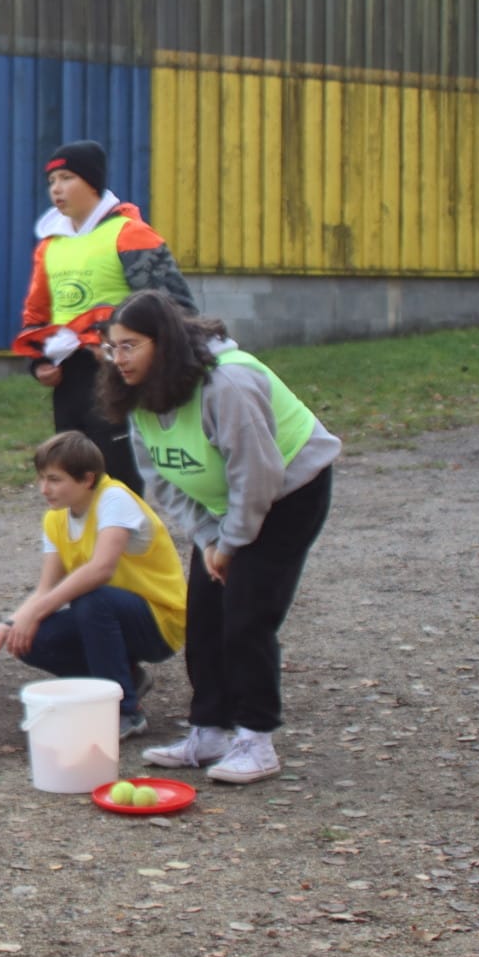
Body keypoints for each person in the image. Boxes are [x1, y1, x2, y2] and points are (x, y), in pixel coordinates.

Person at [100, 290, 339, 785]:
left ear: (163, 342)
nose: (118, 359)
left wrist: (231, 544)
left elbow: (257, 476)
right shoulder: (139, 392)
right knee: (205, 615)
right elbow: (161, 477)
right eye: (112, 347)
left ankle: (256, 739)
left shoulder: (228, 384)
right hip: (224, 504)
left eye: (130, 346)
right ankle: (209, 730)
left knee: (247, 614)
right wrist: (210, 538)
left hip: (288, 490)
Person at [0, 431, 186, 737]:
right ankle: (127, 681)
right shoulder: (55, 519)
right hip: (111, 616)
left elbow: (101, 569)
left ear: (87, 479)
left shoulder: (114, 498)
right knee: (28, 638)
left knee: (91, 599)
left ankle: (125, 712)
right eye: (41, 478)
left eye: (54, 480)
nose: (44, 489)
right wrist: (7, 626)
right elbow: (45, 589)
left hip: (160, 622)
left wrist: (34, 613)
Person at [13, 140, 195, 496]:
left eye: (67, 178)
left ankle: (125, 533)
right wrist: (38, 363)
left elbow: (178, 310)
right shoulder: (49, 245)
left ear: (93, 183)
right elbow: (36, 316)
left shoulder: (131, 234)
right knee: (73, 477)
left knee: (119, 481)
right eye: (51, 181)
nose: (56, 189)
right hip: (69, 380)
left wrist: (120, 347)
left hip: (119, 374)